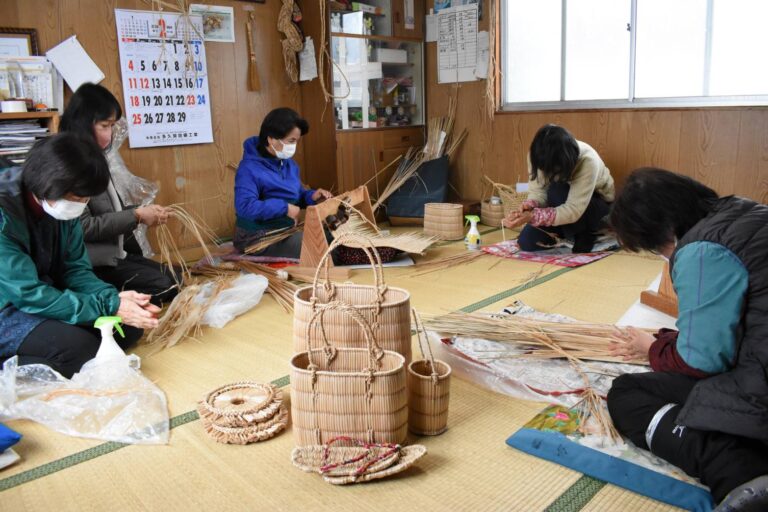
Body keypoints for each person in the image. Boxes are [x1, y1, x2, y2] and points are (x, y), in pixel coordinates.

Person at [606, 168, 768, 511]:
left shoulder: (702, 250)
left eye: (655, 249)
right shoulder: (745, 211)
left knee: (626, 394)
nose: (662, 258)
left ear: (663, 231)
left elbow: (702, 361)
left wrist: (652, 348)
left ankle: (741, 473)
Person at [0, 134, 160, 379]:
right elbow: (27, 293)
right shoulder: (4, 214)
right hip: (8, 307)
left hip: (42, 291)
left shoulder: (61, 206)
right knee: (82, 352)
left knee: (126, 328)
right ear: (47, 185)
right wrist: (109, 306)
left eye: (86, 199)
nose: (81, 205)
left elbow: (75, 269)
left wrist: (112, 299)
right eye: (77, 198)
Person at [60, 83, 177, 306]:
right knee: (164, 286)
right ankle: (104, 295)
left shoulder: (95, 157)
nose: (111, 133)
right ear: (84, 123)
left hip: (115, 253)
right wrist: (137, 216)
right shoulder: (69, 162)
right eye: (105, 125)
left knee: (177, 278)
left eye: (113, 126)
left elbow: (110, 211)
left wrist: (143, 213)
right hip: (91, 263)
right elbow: (83, 227)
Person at [234, 107, 332, 258]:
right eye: (291, 141)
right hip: (256, 237)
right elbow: (245, 207)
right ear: (271, 138)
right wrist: (283, 208)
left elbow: (296, 195)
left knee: (330, 236)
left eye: (296, 141)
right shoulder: (249, 168)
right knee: (316, 245)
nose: (293, 146)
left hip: (284, 231)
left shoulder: (288, 164)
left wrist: (311, 197)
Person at [502, 124, 615, 253]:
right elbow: (537, 191)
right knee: (527, 242)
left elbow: (574, 209)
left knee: (557, 190)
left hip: (593, 206)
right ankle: (568, 233)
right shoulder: (536, 156)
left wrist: (534, 216)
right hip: (560, 203)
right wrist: (531, 206)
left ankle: (584, 233)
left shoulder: (588, 160)